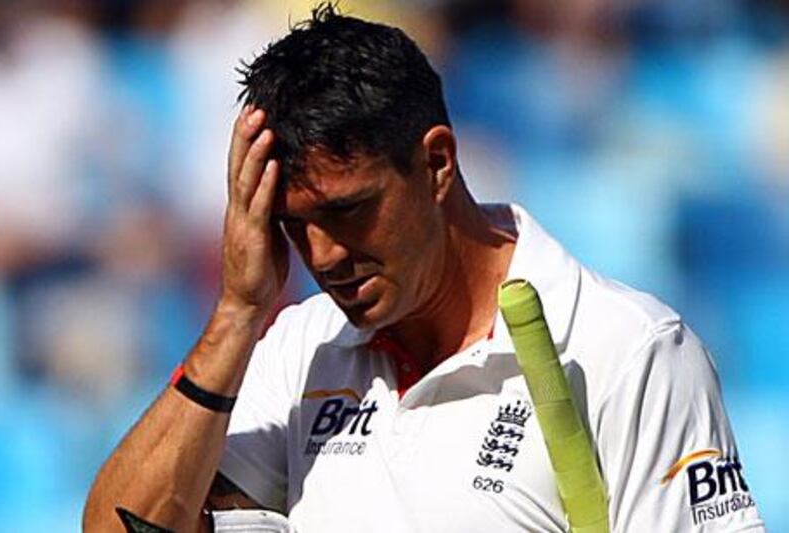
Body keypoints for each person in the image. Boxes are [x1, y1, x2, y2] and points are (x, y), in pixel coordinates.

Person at [83, 5, 765, 532]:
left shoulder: (627, 348)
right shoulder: (299, 346)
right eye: (296, 226)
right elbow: (125, 525)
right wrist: (237, 311)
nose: (323, 257)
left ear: (437, 163)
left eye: (349, 211)